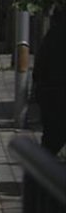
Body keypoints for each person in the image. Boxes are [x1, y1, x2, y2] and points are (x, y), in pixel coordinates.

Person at [34, 8, 66, 156]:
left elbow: (40, 66)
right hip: (55, 93)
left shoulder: (53, 35)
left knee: (51, 141)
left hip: (51, 94)